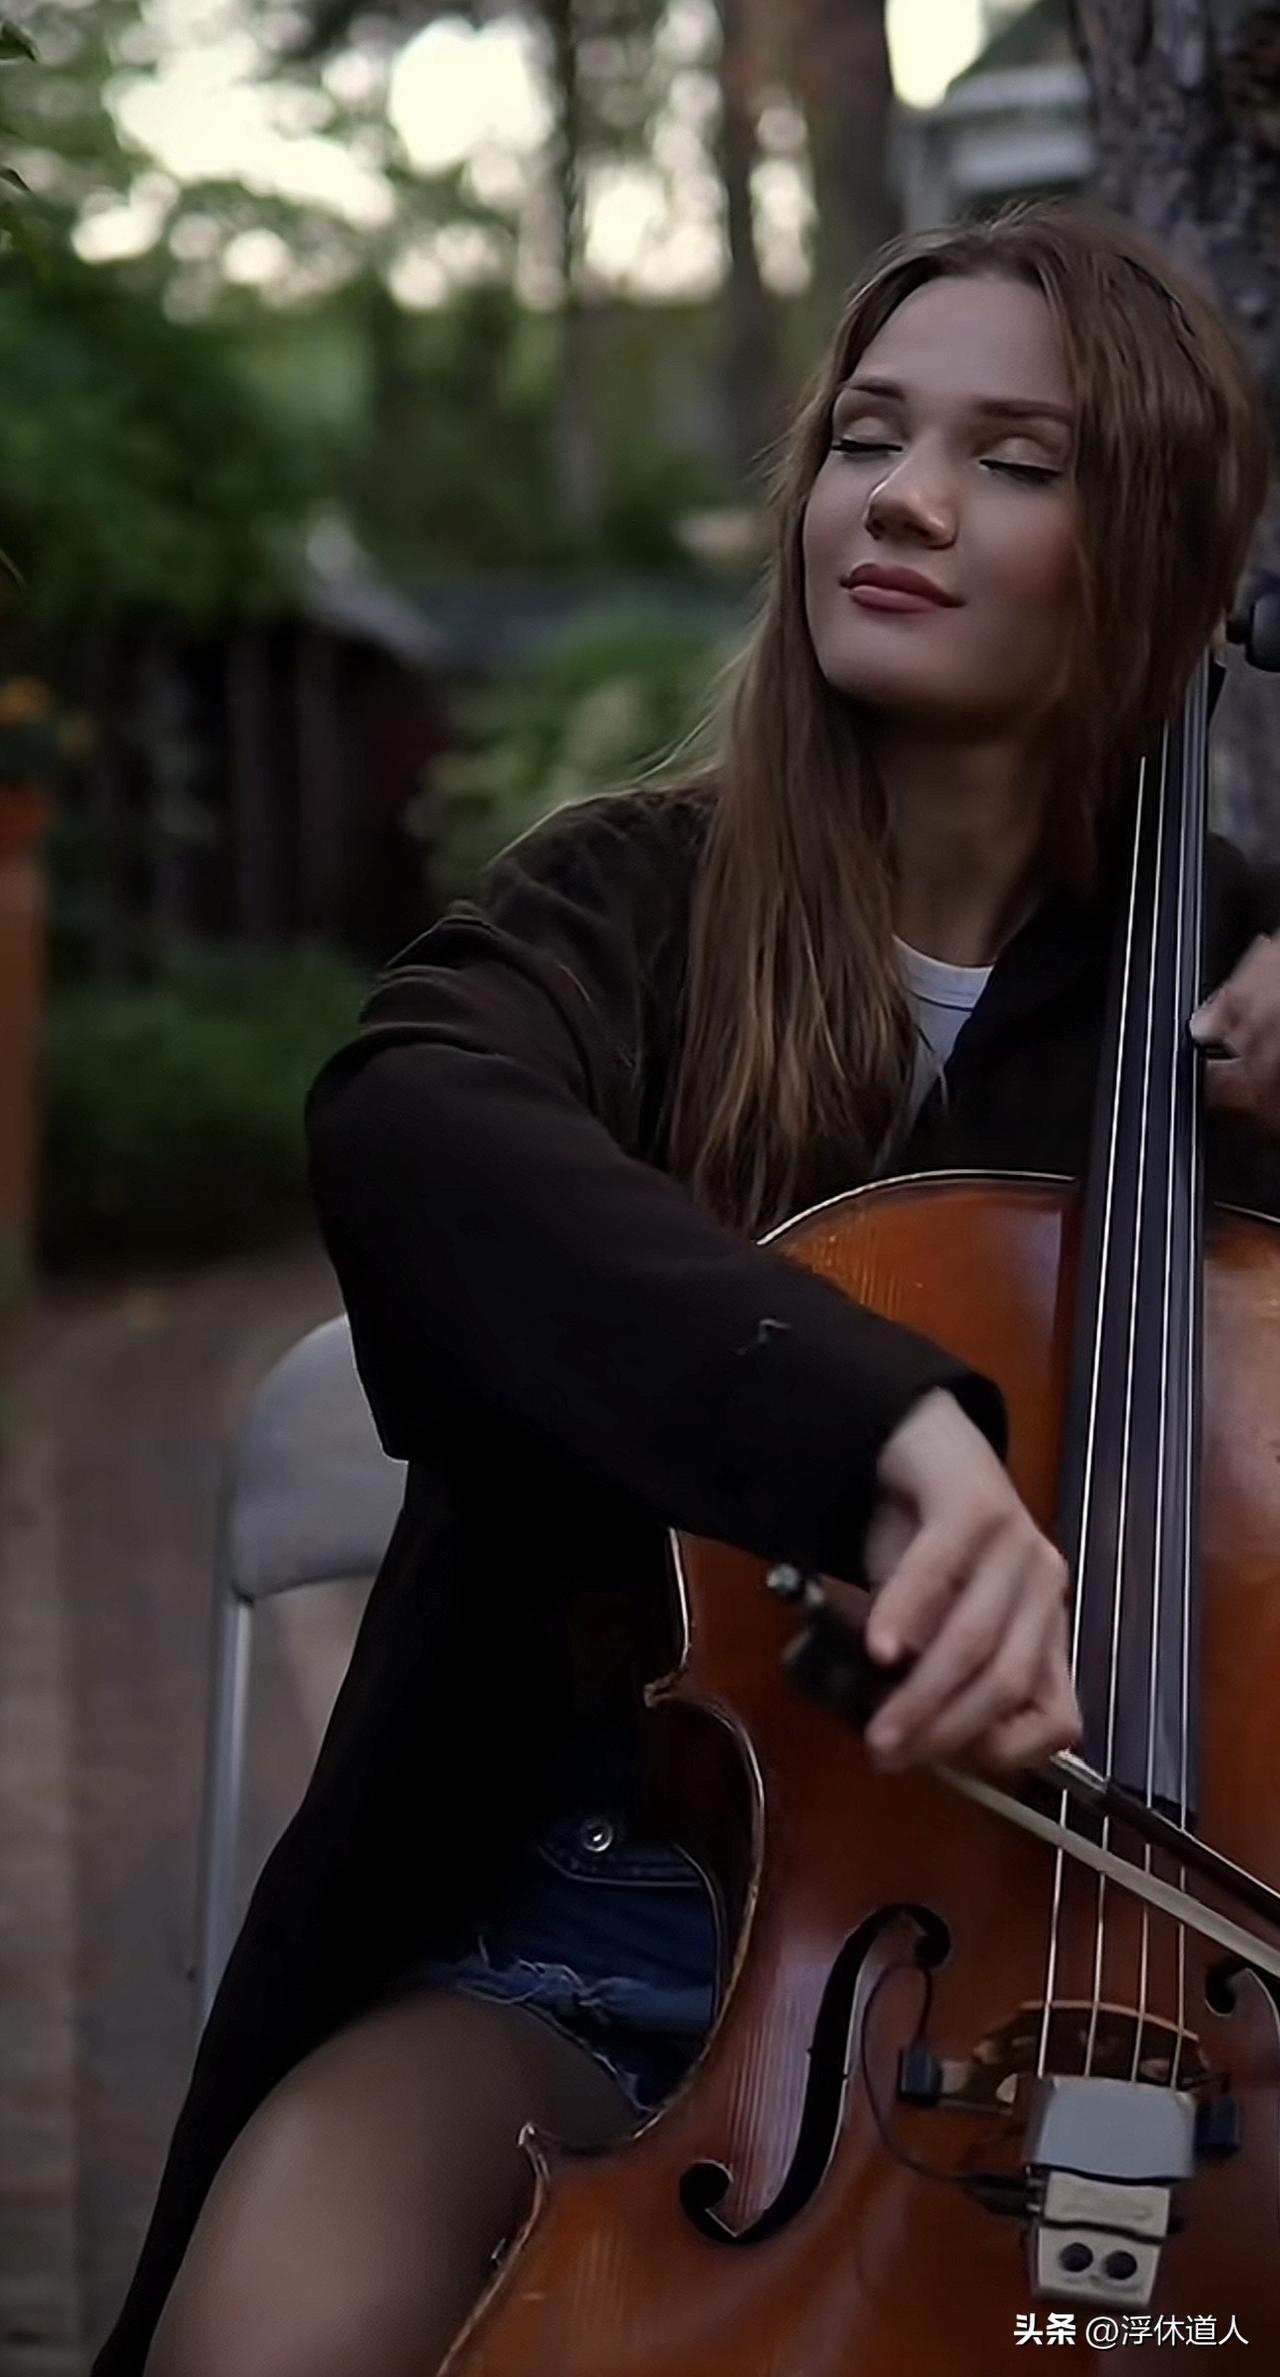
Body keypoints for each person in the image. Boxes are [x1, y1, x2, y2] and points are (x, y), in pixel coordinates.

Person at [96, 202, 1280, 2377]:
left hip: (1167, 2026)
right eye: (868, 436)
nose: (902, 498)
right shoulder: (631, 907)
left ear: (1167, 572)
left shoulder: (1237, 992)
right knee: (265, 2335)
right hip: (589, 1945)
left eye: (1016, 461)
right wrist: (885, 1429)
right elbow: (412, 1127)